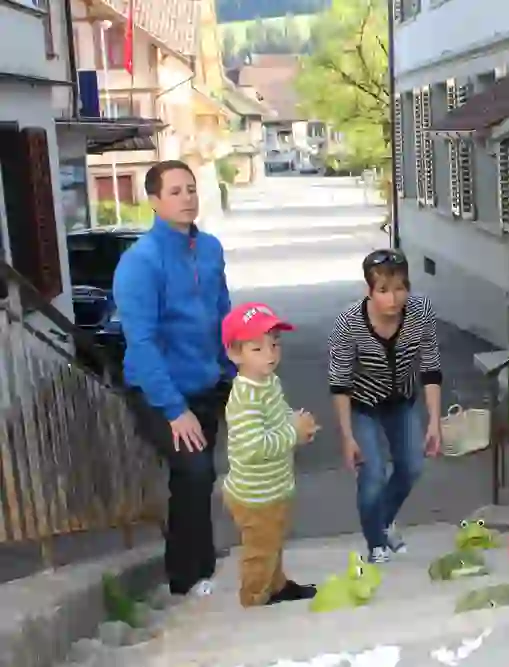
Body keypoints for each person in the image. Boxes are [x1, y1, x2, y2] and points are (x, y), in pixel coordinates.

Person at [114, 160, 234, 597]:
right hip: (159, 391)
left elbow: (223, 316)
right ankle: (186, 577)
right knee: (193, 471)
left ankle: (202, 564)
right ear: (154, 201)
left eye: (191, 189)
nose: (187, 198)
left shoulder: (210, 249)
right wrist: (174, 409)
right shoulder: (139, 263)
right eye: (175, 191)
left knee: (201, 478)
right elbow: (141, 343)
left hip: (206, 384)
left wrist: (235, 374)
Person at [328, 249, 443, 564]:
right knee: (373, 473)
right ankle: (376, 544)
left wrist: (434, 421)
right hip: (362, 404)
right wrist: (347, 436)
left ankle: (385, 519)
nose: (393, 298)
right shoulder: (348, 323)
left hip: (402, 401)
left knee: (412, 466)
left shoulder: (421, 313)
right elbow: (339, 383)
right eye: (383, 291)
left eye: (400, 288)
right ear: (369, 291)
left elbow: (430, 367)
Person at [220, 302, 320, 606]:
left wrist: (294, 421)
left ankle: (277, 586)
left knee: (273, 543)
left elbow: (277, 417)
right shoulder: (245, 397)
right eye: (257, 348)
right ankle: (254, 598)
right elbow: (254, 447)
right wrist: (293, 433)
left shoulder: (269, 382)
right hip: (255, 495)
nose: (271, 354)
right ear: (234, 354)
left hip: (274, 487)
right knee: (260, 550)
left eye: (275, 344)